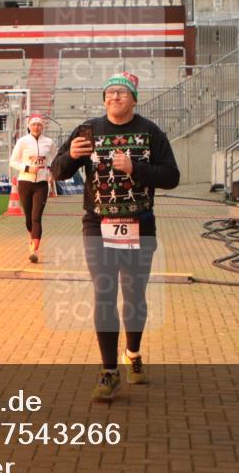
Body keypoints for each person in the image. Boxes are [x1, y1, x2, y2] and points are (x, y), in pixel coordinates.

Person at [51, 71, 179, 402]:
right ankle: (109, 371)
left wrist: (137, 168)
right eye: (109, 92)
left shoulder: (150, 132)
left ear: (134, 99)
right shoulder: (87, 130)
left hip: (140, 222)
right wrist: (72, 157)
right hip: (98, 223)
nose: (114, 97)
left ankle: (133, 354)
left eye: (122, 92)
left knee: (134, 295)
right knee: (104, 293)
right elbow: (56, 171)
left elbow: (172, 177)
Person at [9, 114, 56, 262]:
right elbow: (13, 161)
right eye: (34, 125)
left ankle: (34, 248)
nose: (36, 127)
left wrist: (52, 173)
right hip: (25, 183)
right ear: (29, 126)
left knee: (37, 217)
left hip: (41, 184)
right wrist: (28, 168)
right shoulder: (23, 142)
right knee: (29, 218)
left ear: (43, 127)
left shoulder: (49, 142)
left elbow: (56, 159)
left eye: (39, 125)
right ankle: (32, 236)